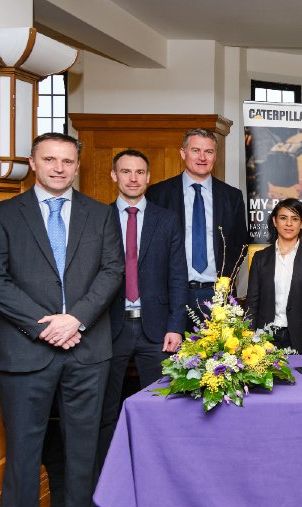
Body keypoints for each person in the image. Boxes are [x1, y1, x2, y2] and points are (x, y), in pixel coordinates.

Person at [0, 133, 124, 507]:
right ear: (34, 162)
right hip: (25, 350)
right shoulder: (4, 214)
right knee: (24, 446)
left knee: (82, 443)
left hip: (88, 347)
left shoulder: (100, 215)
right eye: (50, 160)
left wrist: (75, 319)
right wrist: (49, 326)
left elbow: (112, 272)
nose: (59, 168)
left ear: (77, 166)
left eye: (67, 161)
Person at [97, 149, 187, 482]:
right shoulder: (98, 218)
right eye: (126, 171)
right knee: (105, 409)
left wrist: (176, 325)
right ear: (114, 176)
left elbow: (178, 276)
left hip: (157, 330)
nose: (133, 178)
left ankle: (158, 476)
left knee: (161, 406)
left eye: (139, 172)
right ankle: (110, 478)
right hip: (109, 328)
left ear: (148, 177)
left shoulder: (167, 220)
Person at [145, 128, 249, 319]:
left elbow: (240, 244)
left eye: (208, 152)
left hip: (217, 295)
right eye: (195, 150)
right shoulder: (158, 194)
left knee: (219, 349)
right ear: (183, 153)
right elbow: (151, 247)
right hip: (171, 294)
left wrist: (225, 281)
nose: (202, 157)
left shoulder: (231, 196)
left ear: (215, 156)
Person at [247, 198, 302, 352]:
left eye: (295, 219)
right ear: (274, 221)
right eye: (283, 218)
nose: (289, 224)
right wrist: (249, 336)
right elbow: (252, 302)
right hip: (264, 337)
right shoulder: (260, 258)